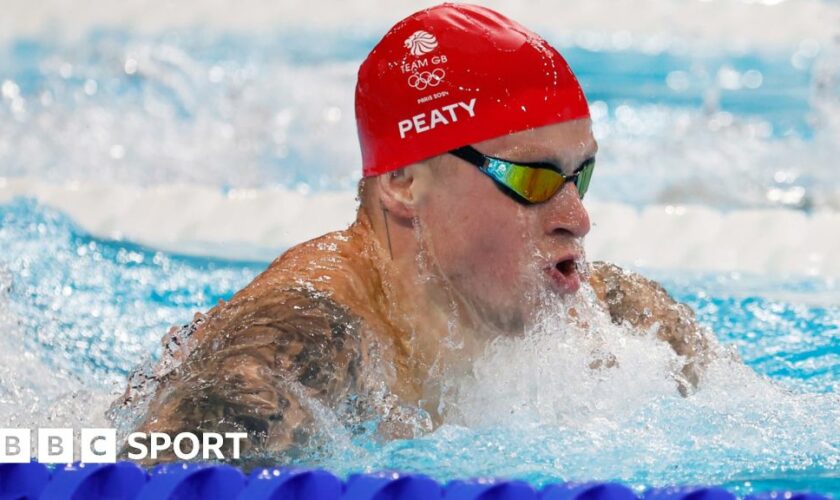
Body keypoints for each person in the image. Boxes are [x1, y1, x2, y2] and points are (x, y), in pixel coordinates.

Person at [111, 3, 716, 464]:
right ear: (403, 184)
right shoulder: (308, 337)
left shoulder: (617, 319)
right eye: (532, 178)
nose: (576, 217)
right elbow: (145, 474)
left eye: (580, 175)